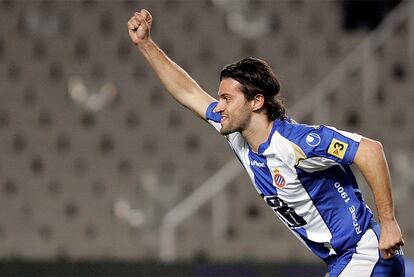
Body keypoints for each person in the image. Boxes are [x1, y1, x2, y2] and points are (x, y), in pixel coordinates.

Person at [127, 9, 405, 276]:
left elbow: (370, 150)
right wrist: (145, 44)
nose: (219, 106)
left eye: (227, 99)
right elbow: (189, 93)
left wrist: (389, 223)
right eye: (219, 98)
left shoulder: (297, 143)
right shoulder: (237, 135)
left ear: (256, 102)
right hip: (341, 261)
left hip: (365, 253)